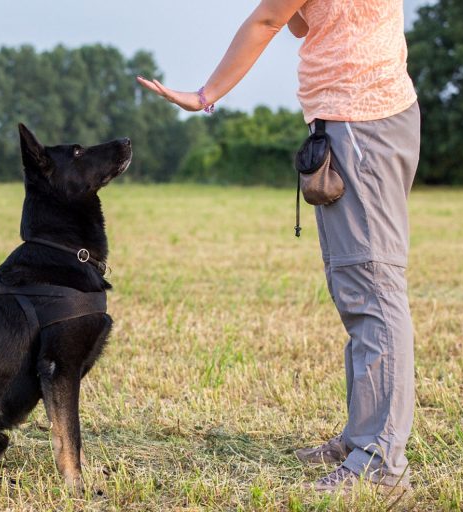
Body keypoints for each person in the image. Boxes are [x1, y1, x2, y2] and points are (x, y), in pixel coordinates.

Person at [137, 0, 419, 494]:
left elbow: (268, 20)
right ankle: (363, 438)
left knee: (372, 291)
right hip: (362, 119)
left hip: (360, 124)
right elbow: (303, 21)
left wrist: (205, 95)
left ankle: (380, 462)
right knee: (358, 289)